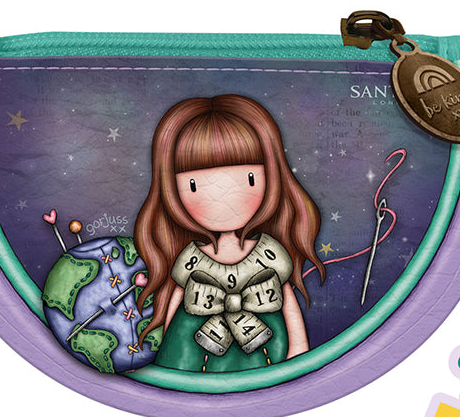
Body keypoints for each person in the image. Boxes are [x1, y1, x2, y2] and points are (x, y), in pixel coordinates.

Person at [134, 94, 325, 373]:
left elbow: (287, 302)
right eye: (194, 185)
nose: (223, 199)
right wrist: (163, 348)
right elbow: (176, 301)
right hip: (191, 351)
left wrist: (298, 352)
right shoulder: (191, 258)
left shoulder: (269, 252)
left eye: (249, 179)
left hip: (265, 347)